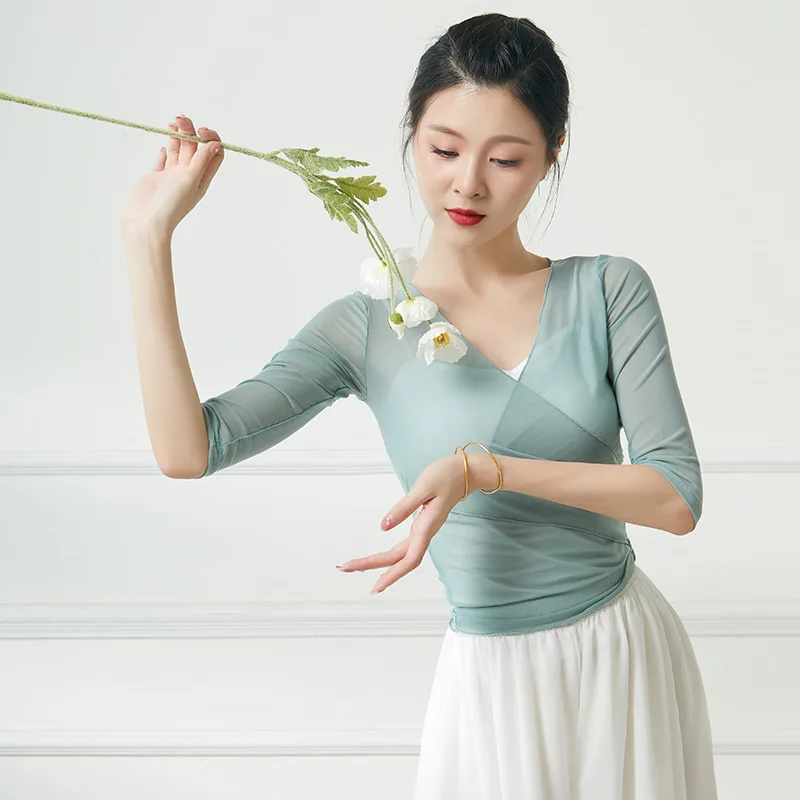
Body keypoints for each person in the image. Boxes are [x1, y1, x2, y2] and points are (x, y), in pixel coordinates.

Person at [120, 12, 718, 799]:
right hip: (492, 683)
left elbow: (676, 499)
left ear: (551, 155)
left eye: (506, 159)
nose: (467, 183)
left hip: (621, 655)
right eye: (443, 150)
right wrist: (147, 239)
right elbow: (188, 450)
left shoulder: (609, 291)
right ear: (411, 136)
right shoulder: (363, 325)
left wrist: (487, 468)